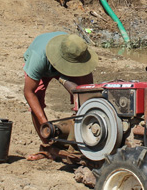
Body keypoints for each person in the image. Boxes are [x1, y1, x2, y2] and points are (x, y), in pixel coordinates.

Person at [23, 32, 98, 161]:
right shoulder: (38, 58)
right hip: (44, 65)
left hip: (70, 57)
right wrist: (46, 125)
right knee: (36, 103)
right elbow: (29, 92)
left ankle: (82, 141)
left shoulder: (78, 51)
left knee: (86, 98)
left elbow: (88, 96)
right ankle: (47, 147)